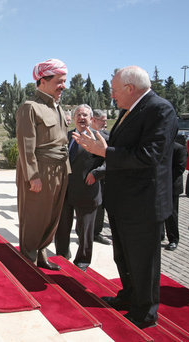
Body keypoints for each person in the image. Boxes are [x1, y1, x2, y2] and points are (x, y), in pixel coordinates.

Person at [73, 66, 178, 329]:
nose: (112, 95)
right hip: (122, 202)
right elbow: (119, 149)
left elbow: (149, 155)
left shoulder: (160, 110)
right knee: (124, 257)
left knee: (144, 262)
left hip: (144, 203)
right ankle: (129, 296)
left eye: (114, 90)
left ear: (130, 89)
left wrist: (106, 151)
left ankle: (145, 313)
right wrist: (96, 151)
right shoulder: (128, 110)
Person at [16, 58, 70, 271]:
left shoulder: (57, 107)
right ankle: (27, 260)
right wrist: (33, 175)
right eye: (59, 81)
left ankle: (41, 255)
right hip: (40, 170)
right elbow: (25, 146)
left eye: (64, 81)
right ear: (43, 81)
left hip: (60, 169)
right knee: (34, 216)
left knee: (52, 216)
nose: (63, 86)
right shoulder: (30, 108)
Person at [55, 104, 106, 271]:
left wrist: (97, 173)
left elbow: (109, 161)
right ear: (74, 118)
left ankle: (82, 262)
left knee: (84, 231)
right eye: (78, 115)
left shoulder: (100, 138)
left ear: (91, 119)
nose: (81, 118)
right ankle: (61, 256)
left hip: (87, 191)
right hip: (66, 191)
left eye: (85, 115)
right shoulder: (67, 136)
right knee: (62, 228)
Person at [91, 109, 111, 245]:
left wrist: (98, 172)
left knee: (99, 207)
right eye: (103, 120)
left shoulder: (107, 137)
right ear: (94, 120)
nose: (105, 123)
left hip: (100, 178)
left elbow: (109, 158)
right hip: (82, 177)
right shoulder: (80, 134)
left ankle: (96, 233)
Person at [162, 142, 187, 251]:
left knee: (171, 214)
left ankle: (173, 239)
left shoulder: (179, 148)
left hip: (171, 186)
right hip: (158, 186)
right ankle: (160, 235)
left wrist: (162, 176)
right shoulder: (159, 146)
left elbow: (180, 169)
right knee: (157, 212)